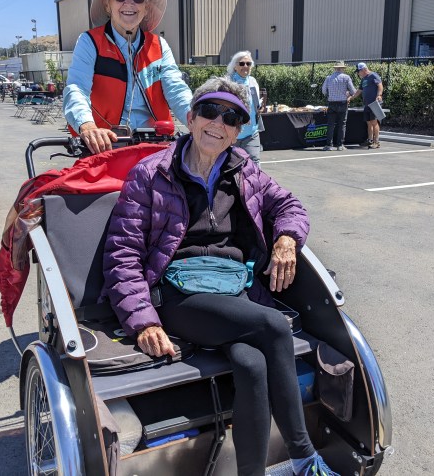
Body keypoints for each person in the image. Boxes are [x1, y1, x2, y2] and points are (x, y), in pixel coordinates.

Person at [101, 76, 337, 476]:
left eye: (232, 117)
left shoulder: (244, 170)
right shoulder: (152, 173)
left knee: (251, 365)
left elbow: (290, 206)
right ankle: (304, 458)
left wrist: (286, 240)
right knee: (273, 325)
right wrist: (141, 320)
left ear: (239, 130)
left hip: (233, 286)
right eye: (210, 111)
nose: (219, 122)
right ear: (191, 118)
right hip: (178, 293)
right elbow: (121, 252)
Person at [63, 0, 192, 154]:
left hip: (155, 146)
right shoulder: (89, 41)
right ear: (107, 4)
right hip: (105, 146)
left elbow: (176, 89)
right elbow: (76, 88)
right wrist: (87, 125)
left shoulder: (160, 45)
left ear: (146, 7)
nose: (129, 3)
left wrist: (196, 119)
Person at [227, 51, 264, 167]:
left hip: (251, 133)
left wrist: (259, 108)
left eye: (248, 63)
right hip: (232, 134)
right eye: (242, 63)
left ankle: (256, 185)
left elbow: (255, 103)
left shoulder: (253, 81)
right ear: (235, 66)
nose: (245, 66)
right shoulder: (228, 83)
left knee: (254, 164)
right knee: (230, 166)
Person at [320, 60, 356, 151]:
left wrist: (330, 94)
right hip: (343, 103)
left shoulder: (329, 78)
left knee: (330, 124)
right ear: (342, 68)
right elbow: (353, 92)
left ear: (335, 68)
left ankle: (329, 145)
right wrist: (348, 94)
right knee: (342, 124)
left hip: (331, 103)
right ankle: (340, 145)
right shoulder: (346, 77)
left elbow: (324, 91)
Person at [349, 62, 383, 149]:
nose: (358, 73)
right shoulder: (363, 79)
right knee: (369, 123)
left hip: (374, 104)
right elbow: (359, 91)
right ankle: (370, 140)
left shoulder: (373, 76)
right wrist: (350, 98)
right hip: (367, 105)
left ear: (364, 69)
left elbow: (380, 86)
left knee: (374, 122)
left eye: (358, 71)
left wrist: (379, 95)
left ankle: (376, 142)